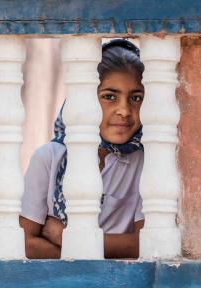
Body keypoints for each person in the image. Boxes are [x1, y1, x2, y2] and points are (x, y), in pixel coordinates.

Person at [19, 39, 145, 259]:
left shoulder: (145, 162)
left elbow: (142, 245)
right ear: (83, 98)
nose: (124, 110)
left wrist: (66, 238)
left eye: (136, 98)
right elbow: (26, 244)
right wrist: (104, 248)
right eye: (109, 97)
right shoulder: (48, 158)